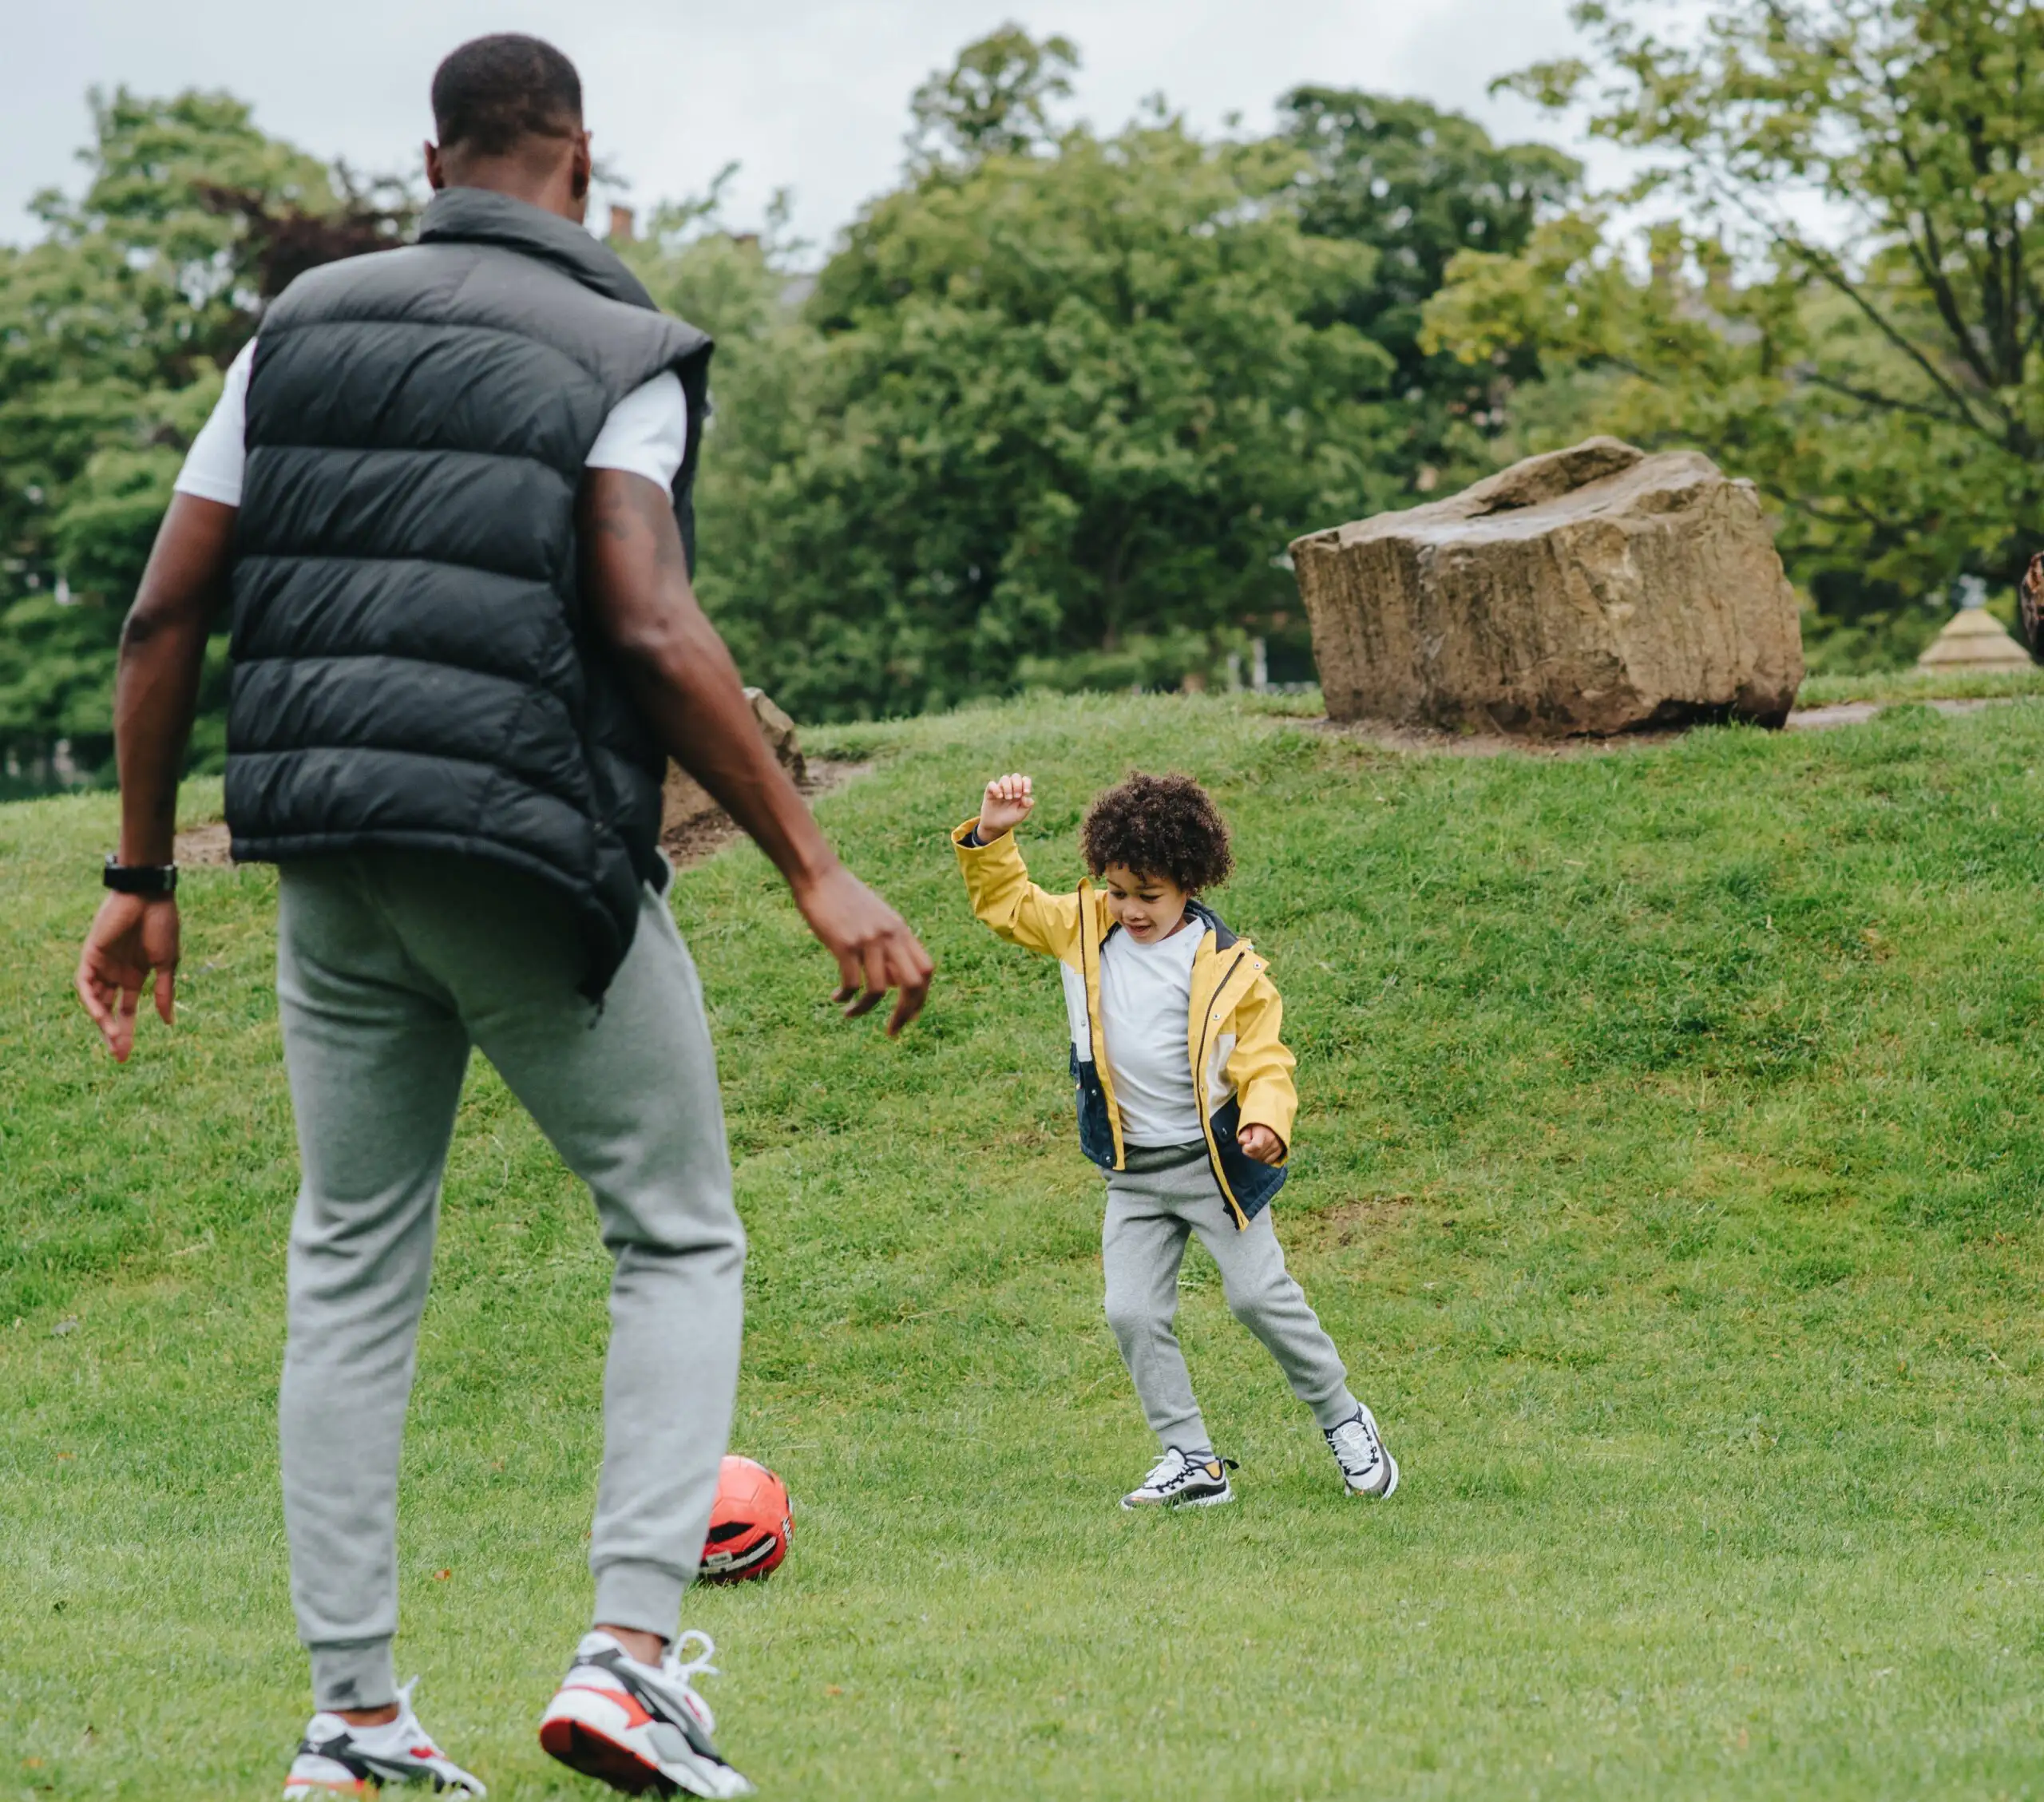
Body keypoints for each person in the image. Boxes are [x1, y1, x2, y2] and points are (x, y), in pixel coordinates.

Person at [73, 34, 932, 1802]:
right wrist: (811, 866)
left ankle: (355, 1723)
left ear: (434, 156)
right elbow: (646, 619)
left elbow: (165, 617)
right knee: (676, 1231)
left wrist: (140, 873)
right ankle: (627, 1662)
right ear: (582, 165)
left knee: (351, 1262)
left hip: (322, 846)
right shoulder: (622, 346)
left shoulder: (291, 332)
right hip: (524, 852)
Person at [953, 770, 1395, 1510]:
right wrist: (993, 835)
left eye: (1147, 894)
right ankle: (1190, 1457)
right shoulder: (1083, 928)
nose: (1128, 909)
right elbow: (1009, 904)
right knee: (1130, 1312)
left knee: (1259, 1297)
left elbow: (1266, 1059)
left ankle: (1345, 1419)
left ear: (1189, 883)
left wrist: (1265, 1120)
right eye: (1117, 889)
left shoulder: (1233, 970)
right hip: (1131, 1175)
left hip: (1213, 1170)